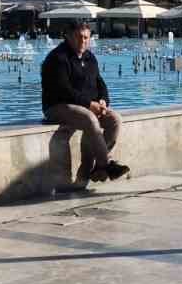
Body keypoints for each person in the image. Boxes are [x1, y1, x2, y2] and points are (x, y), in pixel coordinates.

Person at [41, 22, 129, 192]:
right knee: (89, 118)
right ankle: (106, 163)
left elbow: (100, 83)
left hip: (86, 106)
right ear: (69, 37)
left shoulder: (89, 58)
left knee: (115, 120)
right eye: (78, 37)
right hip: (57, 106)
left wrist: (103, 100)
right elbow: (63, 90)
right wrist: (89, 104)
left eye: (86, 37)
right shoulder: (58, 58)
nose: (82, 41)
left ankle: (95, 169)